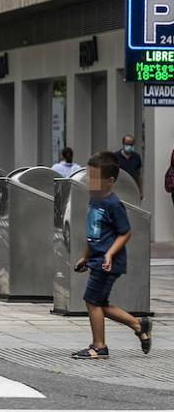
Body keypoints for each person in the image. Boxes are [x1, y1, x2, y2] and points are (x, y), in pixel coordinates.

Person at [72, 152, 153, 359]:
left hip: (108, 262)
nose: (90, 181)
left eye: (95, 178)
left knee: (92, 301)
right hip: (97, 259)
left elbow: (125, 232)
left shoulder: (113, 204)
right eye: (89, 176)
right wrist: (85, 256)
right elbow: (93, 233)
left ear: (110, 181)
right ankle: (138, 325)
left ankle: (99, 346)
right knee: (99, 303)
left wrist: (108, 254)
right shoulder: (95, 199)